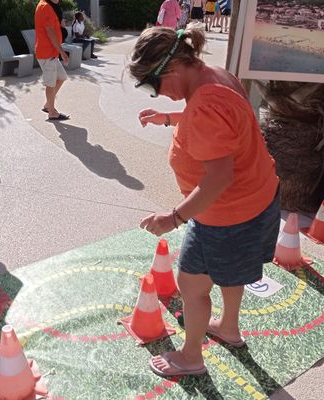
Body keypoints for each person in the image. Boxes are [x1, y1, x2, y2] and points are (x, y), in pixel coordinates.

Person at [129, 24, 280, 376]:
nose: (156, 94)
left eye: (154, 84)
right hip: (258, 196)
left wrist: (174, 217)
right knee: (229, 272)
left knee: (192, 285)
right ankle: (228, 327)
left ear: (172, 68)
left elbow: (218, 178)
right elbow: (221, 119)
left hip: (226, 213)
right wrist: (170, 118)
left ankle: (191, 357)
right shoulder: (215, 76)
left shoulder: (203, 106)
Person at [35, 0, 70, 121]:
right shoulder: (45, 7)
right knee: (51, 83)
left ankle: (48, 105)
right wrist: (62, 52)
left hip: (51, 53)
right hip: (47, 53)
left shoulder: (49, 6)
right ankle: (52, 112)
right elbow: (50, 32)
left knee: (61, 77)